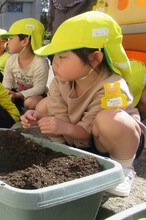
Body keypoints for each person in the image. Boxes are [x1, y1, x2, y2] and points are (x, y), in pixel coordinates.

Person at [20, 11, 145, 197]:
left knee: (110, 119)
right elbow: (59, 113)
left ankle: (124, 168)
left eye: (63, 57)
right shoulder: (60, 82)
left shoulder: (112, 86)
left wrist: (62, 126)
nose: (55, 64)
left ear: (95, 58)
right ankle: (67, 153)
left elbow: (86, 130)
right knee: (43, 107)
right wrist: (44, 120)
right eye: (55, 57)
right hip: (79, 139)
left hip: (112, 141)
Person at [1, 18, 50, 112]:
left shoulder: (40, 63)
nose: (7, 43)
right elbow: (8, 80)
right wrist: (6, 91)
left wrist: (17, 95)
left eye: (10, 38)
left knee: (30, 102)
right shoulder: (11, 60)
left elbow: (39, 89)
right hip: (17, 93)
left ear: (24, 41)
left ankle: (36, 114)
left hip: (36, 95)